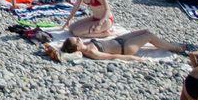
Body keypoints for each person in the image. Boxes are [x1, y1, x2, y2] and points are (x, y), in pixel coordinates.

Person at [54, 30, 185, 62]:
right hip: (125, 48)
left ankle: (170, 45)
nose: (78, 38)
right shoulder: (92, 52)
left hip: (118, 40)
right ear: (77, 47)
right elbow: (113, 57)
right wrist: (135, 59)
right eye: (77, 40)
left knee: (145, 30)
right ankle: (176, 48)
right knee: (148, 36)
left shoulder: (84, 46)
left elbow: (63, 48)